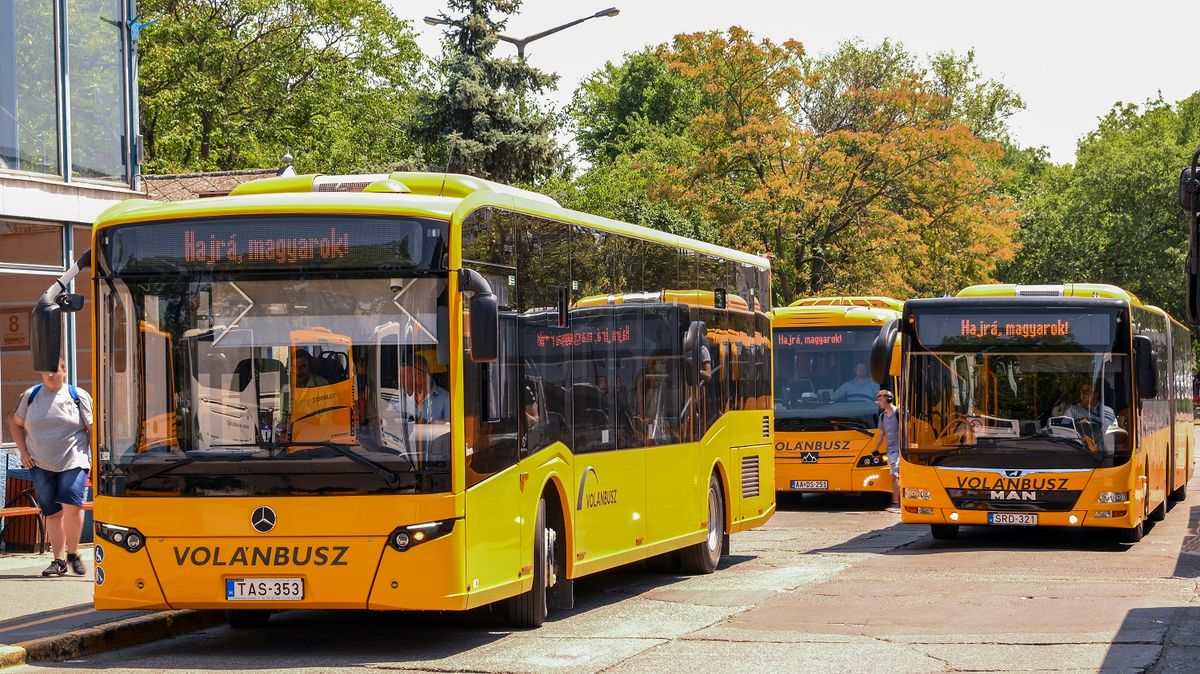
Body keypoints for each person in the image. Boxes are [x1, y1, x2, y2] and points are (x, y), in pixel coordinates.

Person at [8, 358, 92, 577]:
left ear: (64, 372)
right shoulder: (30, 396)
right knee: (52, 513)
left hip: (74, 460)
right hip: (40, 464)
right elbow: (15, 424)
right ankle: (58, 561)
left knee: (72, 505)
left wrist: (98, 460)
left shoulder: (77, 396)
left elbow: (92, 429)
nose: (51, 375)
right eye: (46, 372)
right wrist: (23, 452)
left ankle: (73, 554)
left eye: (55, 371)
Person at [390, 354, 449, 423]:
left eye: (403, 377)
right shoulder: (398, 396)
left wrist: (439, 424)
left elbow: (452, 428)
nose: (399, 381)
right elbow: (388, 421)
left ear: (419, 378)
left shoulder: (445, 398)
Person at [1066, 382, 1116, 449]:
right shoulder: (1072, 410)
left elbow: (1107, 433)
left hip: (1102, 451)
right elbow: (1065, 430)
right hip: (1076, 449)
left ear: (1096, 395)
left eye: (1087, 392)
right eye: (1082, 392)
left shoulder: (1107, 411)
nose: (1083, 395)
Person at [874, 390, 901, 508]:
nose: (878, 402)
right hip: (890, 451)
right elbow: (881, 434)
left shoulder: (898, 413)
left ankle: (896, 502)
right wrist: (875, 449)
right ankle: (898, 500)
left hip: (899, 450)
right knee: (895, 475)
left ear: (888, 400)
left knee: (894, 475)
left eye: (880, 400)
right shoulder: (882, 416)